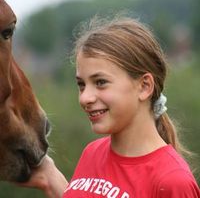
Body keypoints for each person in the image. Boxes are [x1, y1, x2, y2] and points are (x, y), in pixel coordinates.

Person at [19, 16, 200, 197]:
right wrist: (50, 178)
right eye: (82, 85)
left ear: (145, 86)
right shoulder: (92, 153)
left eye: (100, 82)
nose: (85, 98)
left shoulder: (172, 182)